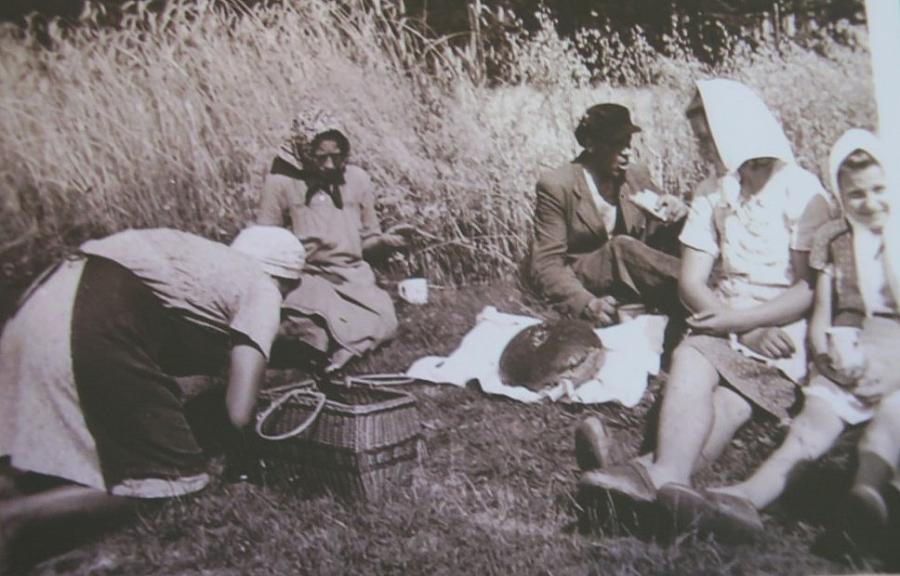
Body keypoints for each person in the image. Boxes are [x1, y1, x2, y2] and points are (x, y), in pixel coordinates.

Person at [578, 79, 832, 530]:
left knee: (731, 404)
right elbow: (692, 282)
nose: (701, 150)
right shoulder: (712, 192)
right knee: (692, 357)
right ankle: (666, 478)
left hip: (782, 328)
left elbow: (806, 289)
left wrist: (751, 323)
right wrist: (739, 326)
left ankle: (640, 473)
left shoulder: (800, 190)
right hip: (725, 316)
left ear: (736, 131)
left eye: (705, 140)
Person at [0, 226, 305, 571]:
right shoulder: (263, 288)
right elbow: (239, 413)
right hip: (96, 315)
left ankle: (16, 496)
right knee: (174, 481)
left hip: (44, 298)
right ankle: (16, 519)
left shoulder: (207, 265)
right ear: (285, 279)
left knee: (39, 458)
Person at [670, 129, 900, 550]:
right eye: (856, 194)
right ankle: (748, 496)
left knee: (890, 420)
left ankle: (866, 496)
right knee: (810, 427)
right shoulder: (835, 240)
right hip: (850, 348)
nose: (870, 203)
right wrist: (824, 356)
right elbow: (823, 309)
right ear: (841, 196)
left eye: (879, 190)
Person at [257, 110, 407, 371]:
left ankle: (344, 350)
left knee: (385, 318)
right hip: (306, 276)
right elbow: (264, 243)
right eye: (320, 157)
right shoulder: (281, 182)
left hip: (353, 276)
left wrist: (386, 242)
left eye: (336, 156)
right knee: (313, 320)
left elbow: (367, 242)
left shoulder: (357, 179)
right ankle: (324, 347)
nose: (329, 165)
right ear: (304, 150)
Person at [524, 103, 688, 327]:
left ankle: (700, 288)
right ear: (591, 144)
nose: (627, 152)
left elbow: (660, 237)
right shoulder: (557, 185)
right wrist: (586, 303)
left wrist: (679, 213)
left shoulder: (635, 176)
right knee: (620, 247)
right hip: (584, 276)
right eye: (617, 144)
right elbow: (547, 264)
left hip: (630, 278)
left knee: (647, 243)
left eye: (628, 143)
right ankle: (701, 291)